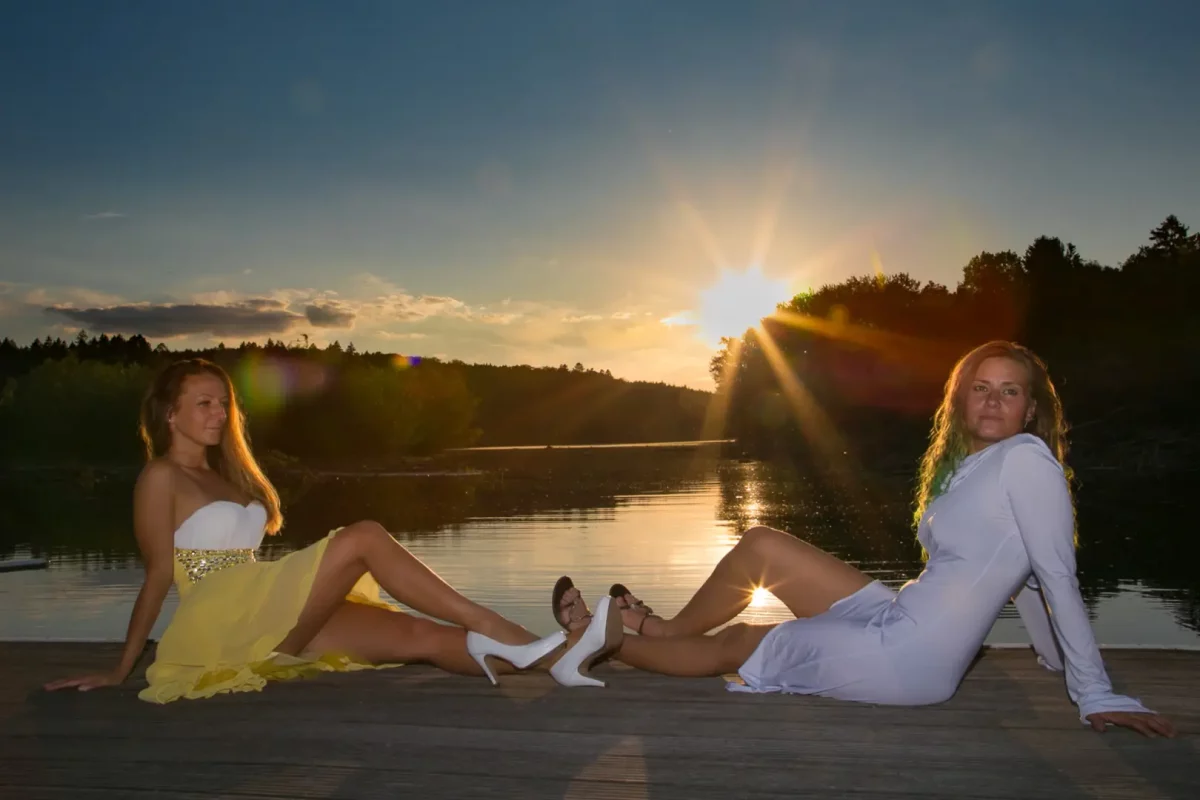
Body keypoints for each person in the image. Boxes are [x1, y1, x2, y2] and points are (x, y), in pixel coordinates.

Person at [552, 341, 1176, 738]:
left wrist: (1089, 689)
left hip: (913, 658)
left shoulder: (1027, 462)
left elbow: (1056, 575)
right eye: (980, 388)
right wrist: (1051, 656)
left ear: (1030, 408)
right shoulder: (972, 467)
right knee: (764, 544)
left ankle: (598, 640)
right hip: (902, 613)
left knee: (743, 643)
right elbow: (1025, 585)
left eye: (1009, 390)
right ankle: (659, 630)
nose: (992, 401)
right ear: (962, 401)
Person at [45, 358, 621, 703]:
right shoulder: (160, 477)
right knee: (364, 535)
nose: (219, 413)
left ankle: (563, 659)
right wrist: (122, 667)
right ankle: (498, 624)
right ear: (169, 414)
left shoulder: (227, 475)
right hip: (224, 621)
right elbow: (157, 574)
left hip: (268, 602)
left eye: (223, 402)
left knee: (427, 638)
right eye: (204, 403)